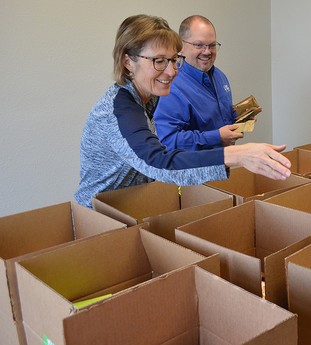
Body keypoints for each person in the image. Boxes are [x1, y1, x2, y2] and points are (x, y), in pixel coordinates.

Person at [74, 14, 290, 208]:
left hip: (133, 204)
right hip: (99, 213)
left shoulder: (150, 97)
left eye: (174, 60)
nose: (171, 71)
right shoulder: (119, 109)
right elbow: (158, 161)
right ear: (128, 62)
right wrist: (238, 155)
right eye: (159, 61)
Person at [154, 15, 243, 151]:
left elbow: (219, 120)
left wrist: (241, 118)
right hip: (193, 170)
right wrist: (217, 137)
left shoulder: (220, 77)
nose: (207, 51)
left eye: (212, 45)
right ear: (181, 46)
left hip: (223, 166)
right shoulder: (172, 85)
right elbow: (169, 140)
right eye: (199, 45)